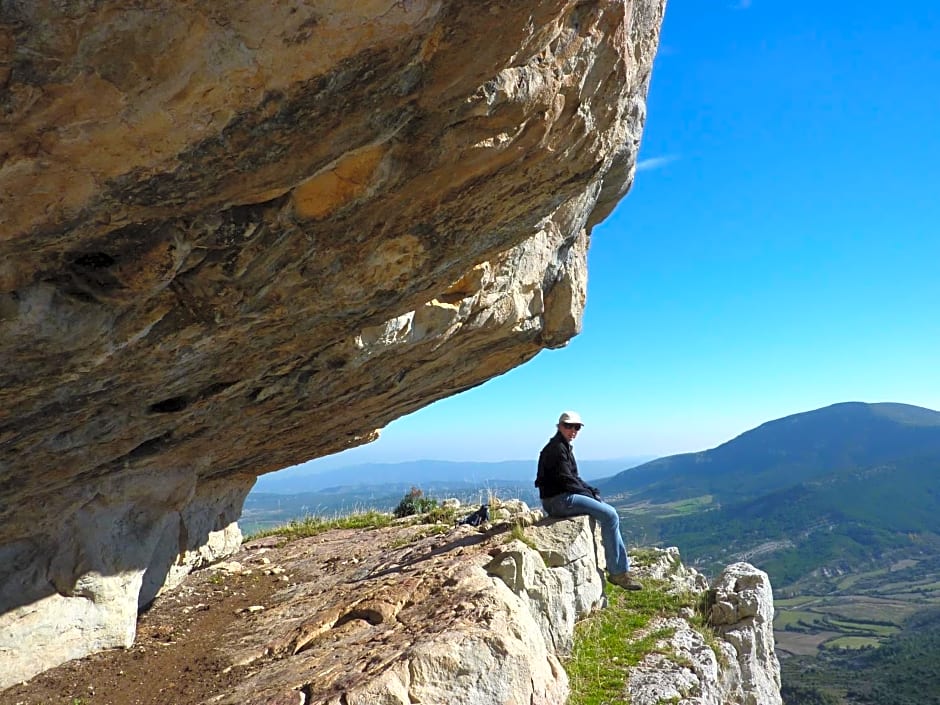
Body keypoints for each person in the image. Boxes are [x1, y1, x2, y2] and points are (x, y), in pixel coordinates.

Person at [535, 411, 642, 590]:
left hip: (558, 498)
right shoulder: (556, 449)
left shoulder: (562, 446)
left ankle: (620, 569)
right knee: (610, 515)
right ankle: (618, 573)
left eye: (576, 427)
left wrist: (589, 490)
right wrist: (588, 493)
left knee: (608, 514)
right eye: (568, 426)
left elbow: (572, 477)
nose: (573, 430)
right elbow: (566, 480)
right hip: (559, 501)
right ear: (559, 426)